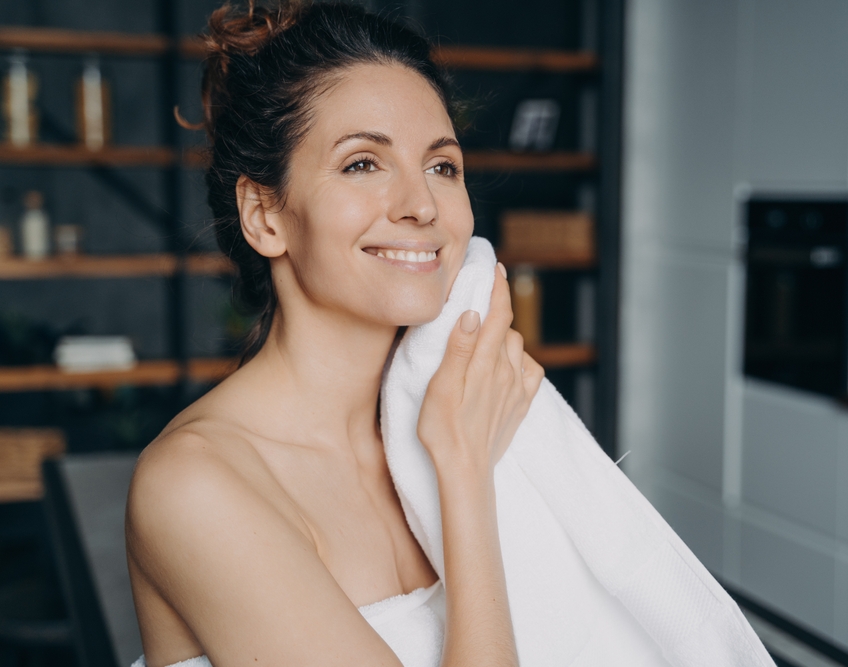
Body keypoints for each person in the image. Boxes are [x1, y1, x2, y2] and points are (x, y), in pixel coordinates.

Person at [124, 2, 544, 665]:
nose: (422, 204)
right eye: (362, 164)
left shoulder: (466, 408)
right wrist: (464, 475)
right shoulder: (194, 481)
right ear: (265, 215)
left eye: (442, 165)